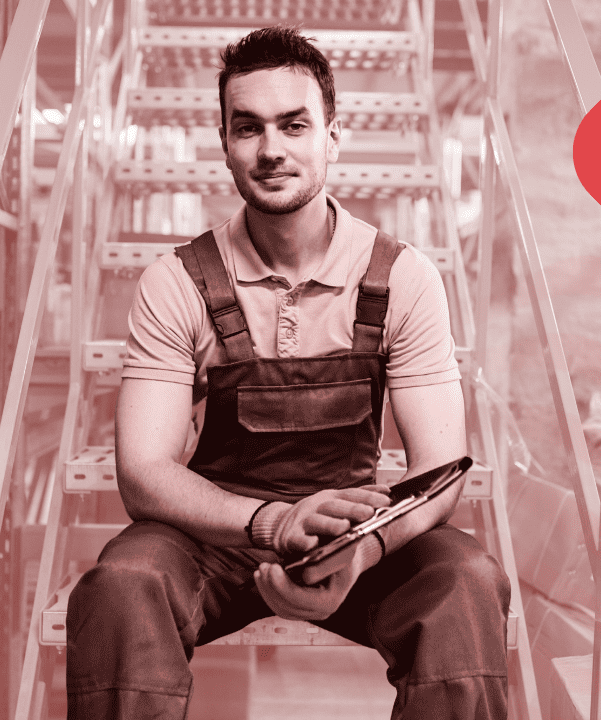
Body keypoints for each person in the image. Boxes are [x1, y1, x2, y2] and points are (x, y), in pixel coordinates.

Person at [67, 26, 512, 720]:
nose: (271, 148)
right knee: (121, 583)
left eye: (294, 125)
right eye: (248, 128)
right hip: (215, 538)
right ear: (224, 143)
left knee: (466, 579)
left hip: (355, 539)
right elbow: (144, 473)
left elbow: (440, 470)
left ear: (333, 136)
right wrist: (274, 524)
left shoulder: (402, 279)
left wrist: (359, 554)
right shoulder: (177, 281)